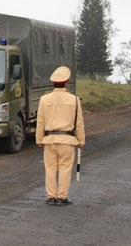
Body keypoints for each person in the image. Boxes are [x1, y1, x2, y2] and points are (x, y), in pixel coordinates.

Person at [36, 66, 85, 206]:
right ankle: (62, 196)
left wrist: (39, 139)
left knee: (50, 168)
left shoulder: (44, 99)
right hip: (67, 140)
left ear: (53, 83)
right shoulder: (74, 100)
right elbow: (79, 123)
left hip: (50, 139)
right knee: (65, 168)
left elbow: (41, 121)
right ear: (66, 83)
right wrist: (81, 140)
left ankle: (51, 196)